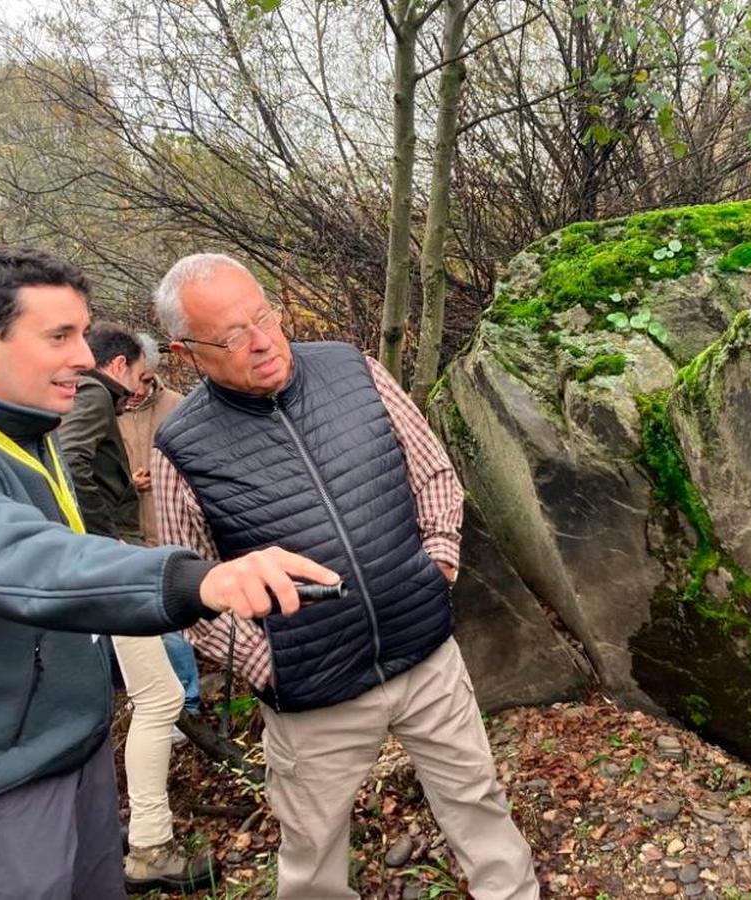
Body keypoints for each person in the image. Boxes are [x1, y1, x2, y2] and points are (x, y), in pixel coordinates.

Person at [0, 246, 338, 900]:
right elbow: (14, 557)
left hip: (73, 749)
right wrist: (198, 580)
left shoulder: (24, 423)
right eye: (59, 336)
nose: (82, 356)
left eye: (82, 331)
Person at [150, 253, 540, 900]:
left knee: (477, 800)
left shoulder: (352, 369)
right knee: (312, 857)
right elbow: (189, 589)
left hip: (425, 655)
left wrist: (436, 563)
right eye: (232, 336)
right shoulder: (181, 448)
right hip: (313, 694)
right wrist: (266, 659)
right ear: (187, 353)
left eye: (264, 316)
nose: (263, 341)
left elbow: (433, 472)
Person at [57, 323, 212, 891]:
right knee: (160, 695)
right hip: (105, 570)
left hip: (83, 570)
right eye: (139, 379)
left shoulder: (67, 395)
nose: (134, 394)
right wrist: (104, 543)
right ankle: (149, 846)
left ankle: (120, 833)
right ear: (118, 364)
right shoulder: (95, 392)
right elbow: (74, 462)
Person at [117, 336, 201, 719]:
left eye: (145, 378)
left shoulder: (179, 406)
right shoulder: (100, 411)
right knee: (148, 621)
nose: (138, 388)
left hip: (173, 527)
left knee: (174, 619)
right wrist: (127, 483)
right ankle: (157, 707)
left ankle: (189, 703)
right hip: (126, 532)